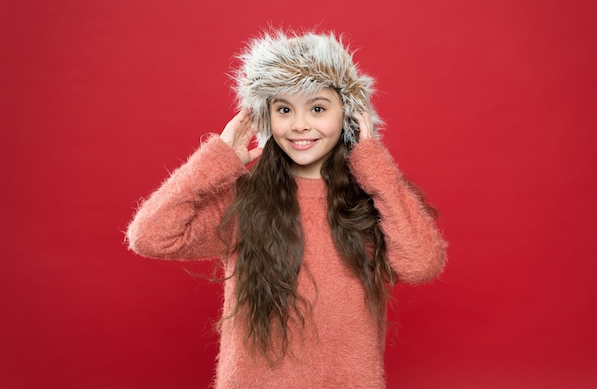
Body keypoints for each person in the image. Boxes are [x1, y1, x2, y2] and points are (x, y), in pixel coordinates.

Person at [125, 30, 447, 389]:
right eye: (283, 109)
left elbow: (422, 265)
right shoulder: (245, 199)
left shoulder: (370, 201)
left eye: (318, 108)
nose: (299, 125)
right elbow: (150, 237)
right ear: (266, 117)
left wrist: (373, 166)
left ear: (350, 115)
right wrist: (216, 160)